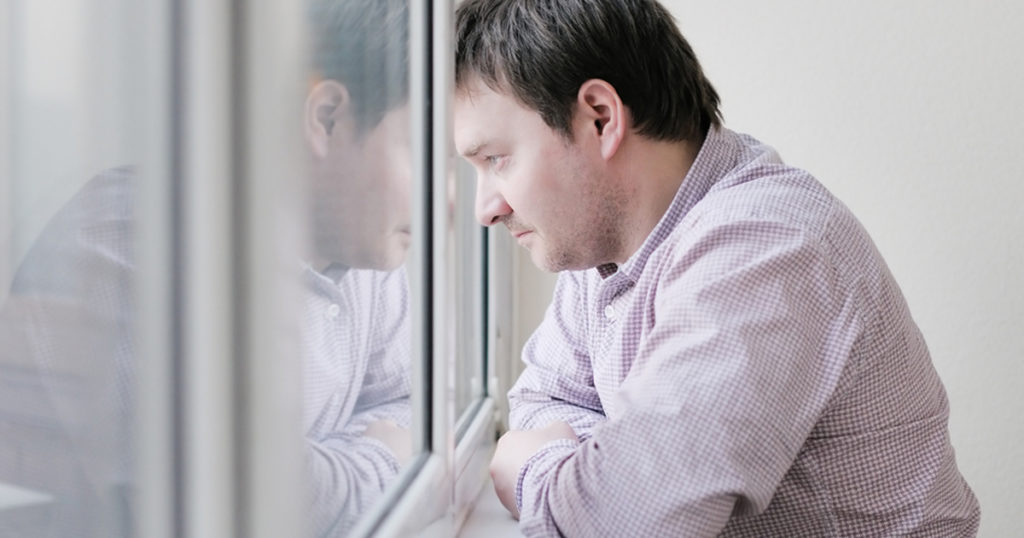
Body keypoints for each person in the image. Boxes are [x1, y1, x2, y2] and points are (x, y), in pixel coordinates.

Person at [452, 0, 981, 536]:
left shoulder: (765, 246)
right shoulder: (600, 246)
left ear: (600, 118)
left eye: (496, 159)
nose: (485, 209)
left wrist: (538, 472)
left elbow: (622, 522)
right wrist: (603, 468)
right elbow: (543, 399)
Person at [0, 0, 413, 536]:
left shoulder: (365, 253)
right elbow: (242, 498)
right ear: (326, 118)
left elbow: (410, 406)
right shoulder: (133, 247)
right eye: (421, 152)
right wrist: (380, 459)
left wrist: (325, 472)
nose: (449, 200)